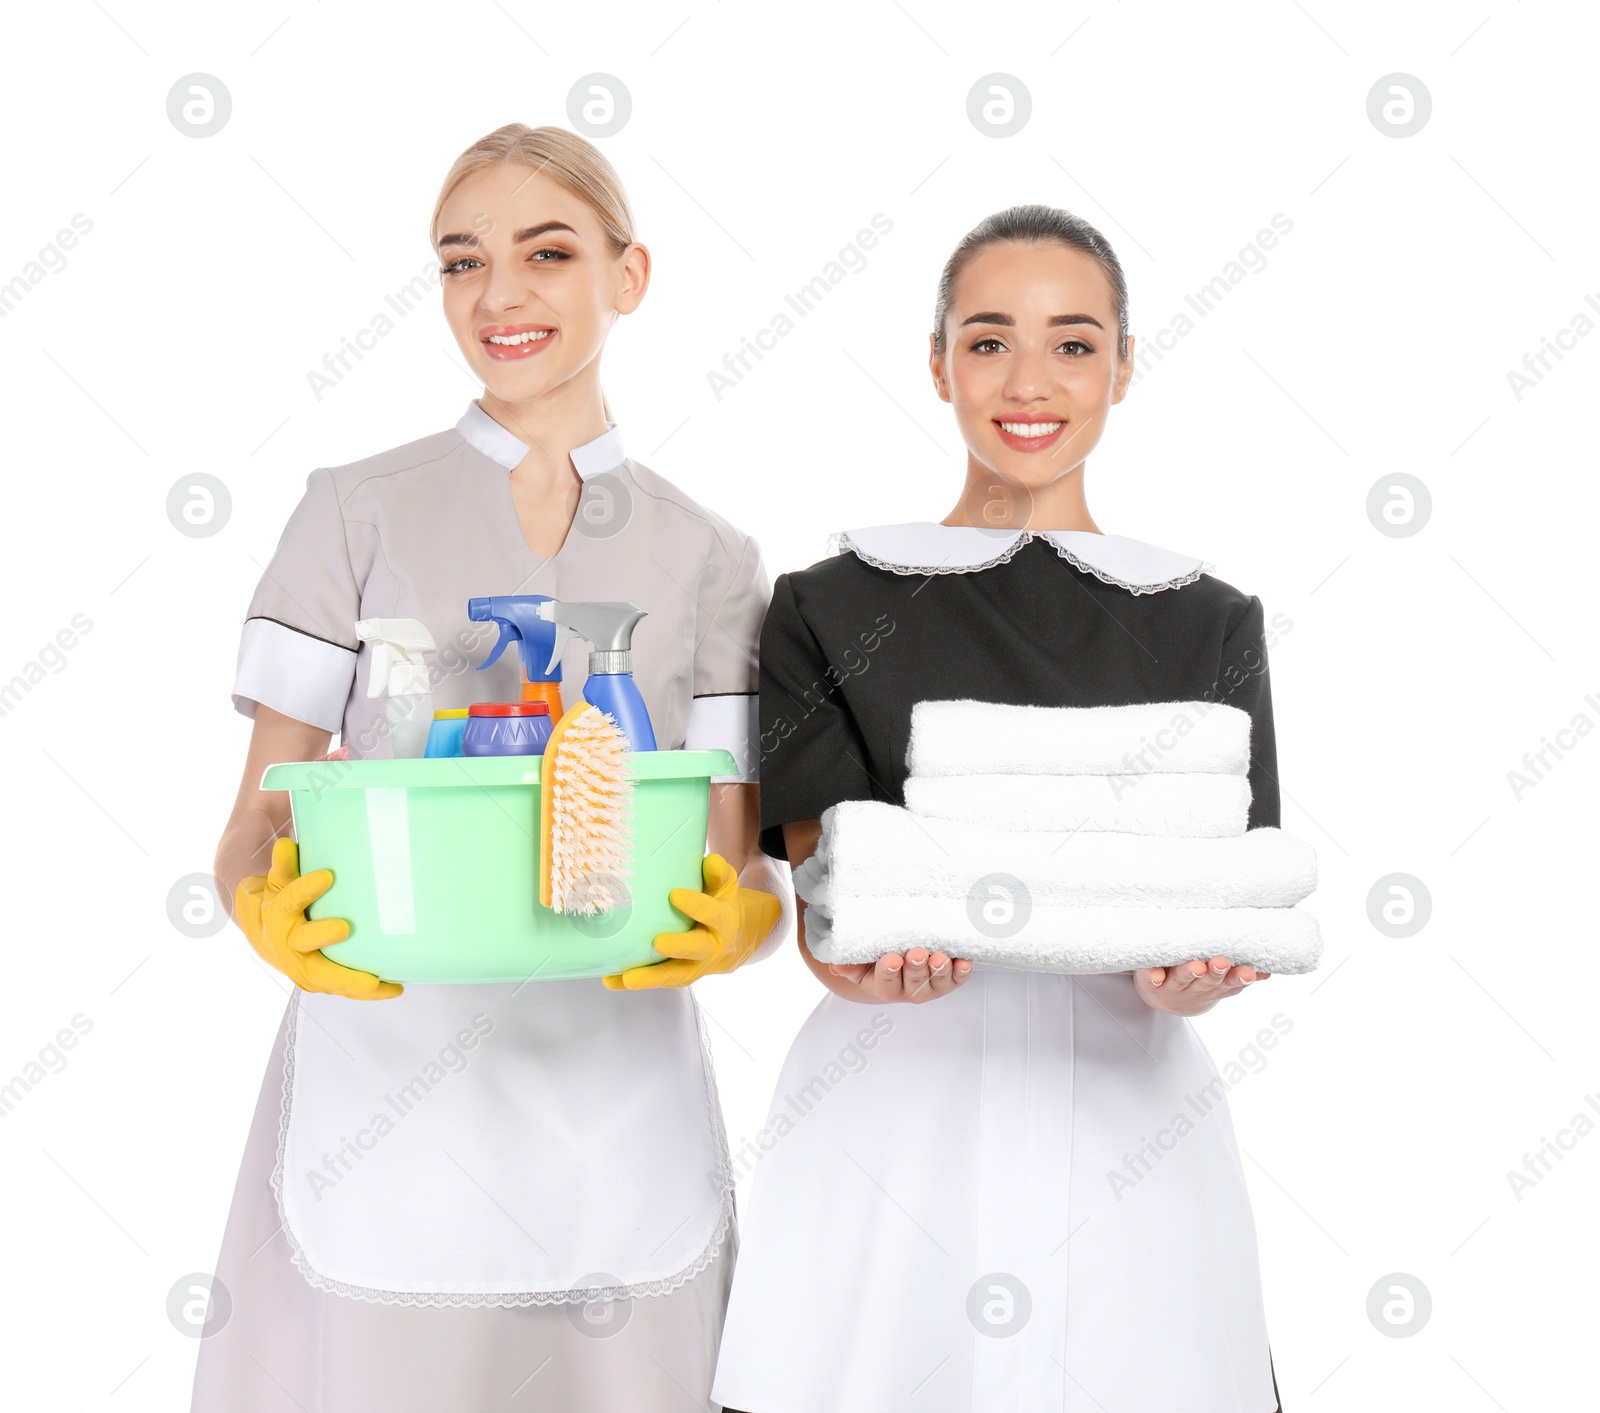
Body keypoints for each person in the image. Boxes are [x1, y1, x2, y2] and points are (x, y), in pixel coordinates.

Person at [193, 123, 787, 1413]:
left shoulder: (711, 556)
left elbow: (734, 856)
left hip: (613, 1099)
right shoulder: (352, 511)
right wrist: (265, 916)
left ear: (629, 277)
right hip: (386, 1084)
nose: (498, 296)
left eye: (547, 253)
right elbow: (251, 830)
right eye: (462, 262)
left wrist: (743, 923)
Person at [711, 205, 1286, 1413]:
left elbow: (1215, 895)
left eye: (1074, 344)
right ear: (936, 364)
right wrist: (850, 967)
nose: (1030, 382)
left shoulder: (1206, 619)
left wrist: (1184, 976)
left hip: (1129, 1129)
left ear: (1125, 367)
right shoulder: (825, 602)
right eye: (987, 342)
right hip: (893, 1113)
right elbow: (826, 894)